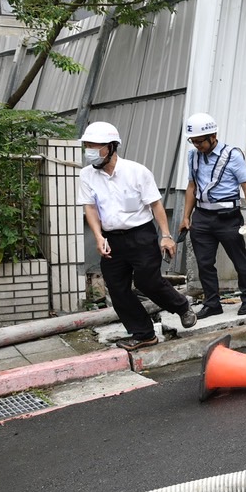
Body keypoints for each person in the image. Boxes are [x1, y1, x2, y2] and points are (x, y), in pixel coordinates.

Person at [78, 121, 196, 351]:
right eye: (87, 146)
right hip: (112, 239)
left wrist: (165, 235)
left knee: (147, 281)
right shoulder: (86, 175)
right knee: (117, 287)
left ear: (111, 147)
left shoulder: (136, 171)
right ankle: (143, 333)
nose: (89, 151)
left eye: (94, 146)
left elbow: (156, 205)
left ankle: (181, 307)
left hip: (140, 235)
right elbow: (90, 208)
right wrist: (98, 236)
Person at [179, 112, 246, 318]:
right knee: (205, 263)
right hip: (202, 217)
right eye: (193, 142)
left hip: (228, 217)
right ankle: (212, 303)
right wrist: (186, 216)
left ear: (213, 136)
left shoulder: (232, 155)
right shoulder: (193, 156)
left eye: (200, 142)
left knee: (239, 258)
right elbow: (191, 186)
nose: (197, 145)